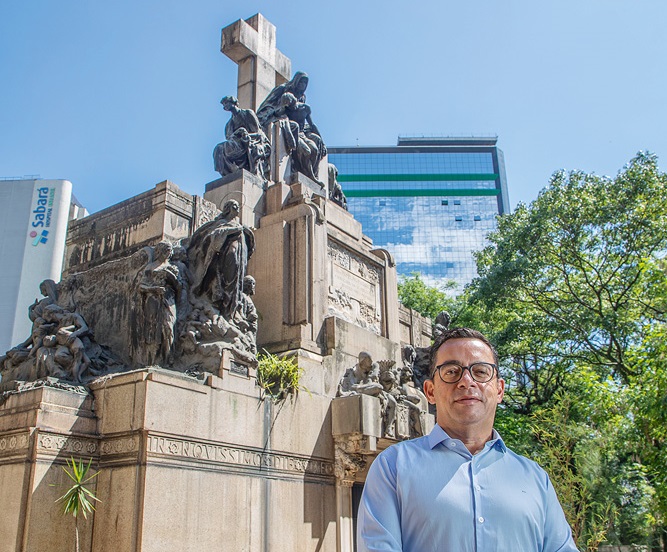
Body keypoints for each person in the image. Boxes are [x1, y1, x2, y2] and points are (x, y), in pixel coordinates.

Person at [357, 327, 578, 551]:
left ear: (500, 390)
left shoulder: (536, 479)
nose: (466, 381)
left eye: (481, 372)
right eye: (452, 372)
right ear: (430, 391)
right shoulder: (392, 467)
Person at [213, 96, 271, 179]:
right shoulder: (229, 124)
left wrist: (246, 135)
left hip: (253, 140)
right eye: (224, 104)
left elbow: (258, 133)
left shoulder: (248, 113)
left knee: (253, 148)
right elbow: (230, 138)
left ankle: (251, 172)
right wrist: (238, 133)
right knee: (218, 148)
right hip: (238, 145)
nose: (225, 106)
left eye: (226, 103)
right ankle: (229, 172)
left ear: (233, 103)